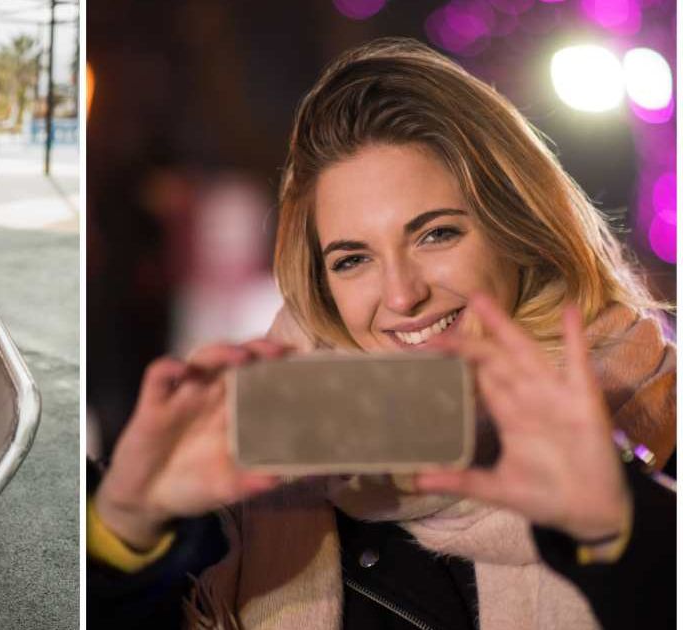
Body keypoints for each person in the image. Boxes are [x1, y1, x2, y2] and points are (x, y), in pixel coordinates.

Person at [87, 39, 675, 630]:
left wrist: (622, 532)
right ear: (321, 284)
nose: (401, 296)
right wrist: (124, 528)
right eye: (352, 260)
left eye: (436, 234)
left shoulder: (659, 429)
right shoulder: (252, 479)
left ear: (516, 227)